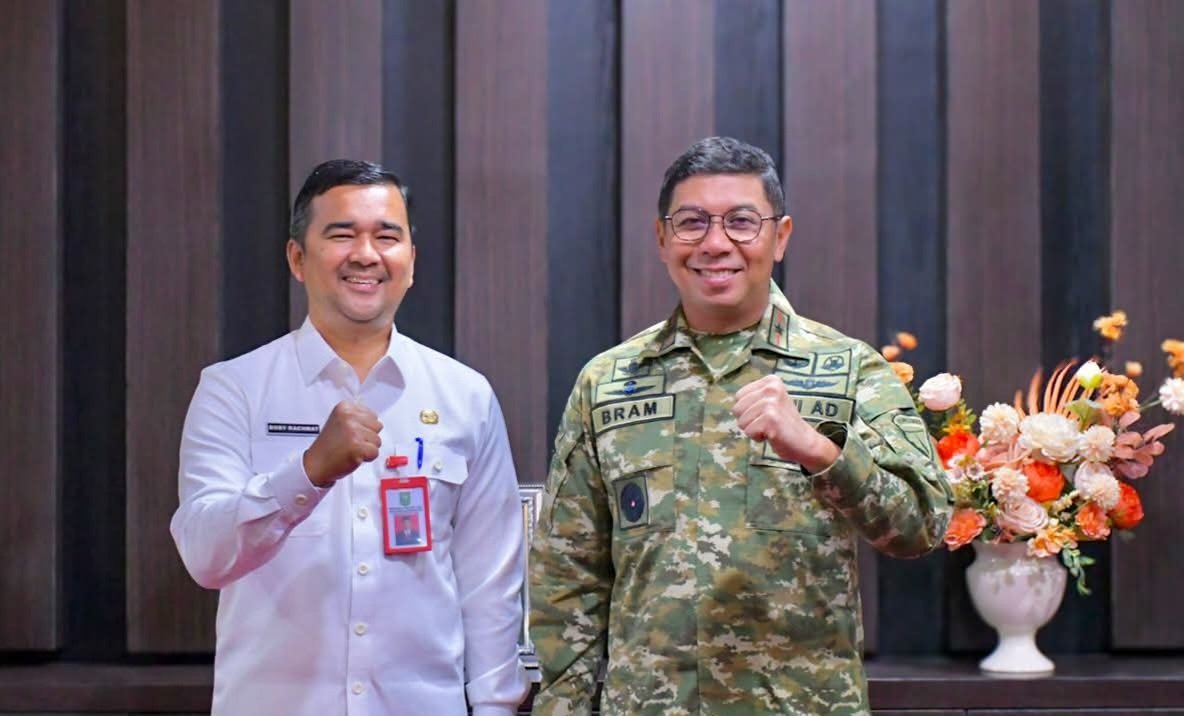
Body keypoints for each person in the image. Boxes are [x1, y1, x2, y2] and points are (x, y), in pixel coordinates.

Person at [529, 137, 952, 715]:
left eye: (741, 222)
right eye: (691, 223)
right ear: (662, 239)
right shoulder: (607, 382)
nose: (715, 243)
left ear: (780, 237)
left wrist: (822, 452)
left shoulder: (850, 370)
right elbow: (567, 576)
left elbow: (923, 524)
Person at [171, 159, 528, 716]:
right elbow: (206, 556)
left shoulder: (466, 396)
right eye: (342, 235)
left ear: (411, 261)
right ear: (298, 259)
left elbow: (491, 581)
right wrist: (308, 472)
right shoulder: (233, 389)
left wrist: (494, 706)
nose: (366, 254)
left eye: (387, 236)